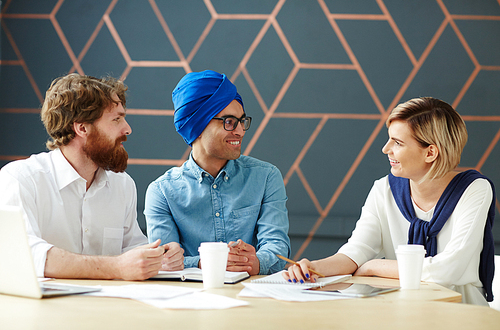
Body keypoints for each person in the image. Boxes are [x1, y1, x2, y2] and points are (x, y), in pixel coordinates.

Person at [284, 97, 495, 305]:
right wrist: (312, 267)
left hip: (462, 314)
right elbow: (356, 251)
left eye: (398, 143)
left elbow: (448, 269)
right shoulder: (383, 189)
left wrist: (374, 266)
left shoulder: (474, 190)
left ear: (430, 152)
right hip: (402, 312)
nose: (386, 149)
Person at [0, 73, 184, 280]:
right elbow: (25, 254)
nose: (128, 129)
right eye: (116, 119)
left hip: (111, 308)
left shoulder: (122, 185)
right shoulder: (21, 179)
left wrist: (160, 257)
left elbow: (130, 249)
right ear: (82, 128)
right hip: (45, 309)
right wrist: (116, 267)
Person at [144, 70, 291, 275]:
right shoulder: (162, 192)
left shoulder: (266, 177)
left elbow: (277, 249)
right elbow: (166, 262)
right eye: (229, 122)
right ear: (198, 124)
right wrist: (208, 263)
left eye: (242, 121)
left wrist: (255, 261)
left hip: (254, 301)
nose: (240, 131)